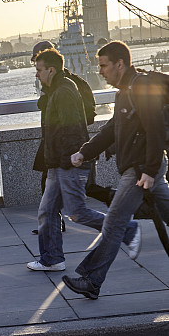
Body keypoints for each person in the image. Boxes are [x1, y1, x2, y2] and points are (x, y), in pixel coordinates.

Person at [64, 40, 169, 299]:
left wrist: (149, 169)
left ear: (119, 64)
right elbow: (113, 128)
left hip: (140, 169)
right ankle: (92, 280)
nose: (100, 71)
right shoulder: (125, 90)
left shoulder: (140, 87)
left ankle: (91, 279)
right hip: (143, 168)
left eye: (104, 66)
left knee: (113, 223)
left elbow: (155, 129)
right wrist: (85, 152)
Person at [26, 48, 139, 272]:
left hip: (67, 162)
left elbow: (73, 131)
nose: (36, 75)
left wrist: (70, 160)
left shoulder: (64, 91)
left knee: (77, 212)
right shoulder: (55, 89)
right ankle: (52, 259)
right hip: (57, 163)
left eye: (39, 70)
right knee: (46, 211)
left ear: (51, 70)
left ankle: (126, 229)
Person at [30, 40, 97, 235]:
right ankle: (52, 229)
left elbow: (84, 116)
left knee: (79, 206)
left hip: (66, 148)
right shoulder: (54, 84)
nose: (36, 68)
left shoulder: (68, 85)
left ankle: (123, 225)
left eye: (38, 62)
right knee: (50, 194)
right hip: (54, 144)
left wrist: (69, 153)